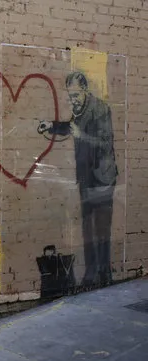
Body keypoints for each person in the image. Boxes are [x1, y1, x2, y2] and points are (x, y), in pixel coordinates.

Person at [38, 71, 118, 288]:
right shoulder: (79, 109)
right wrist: (52, 126)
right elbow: (71, 127)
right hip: (86, 178)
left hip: (102, 178)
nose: (72, 99)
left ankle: (105, 275)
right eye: (70, 95)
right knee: (87, 229)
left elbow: (105, 143)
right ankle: (91, 275)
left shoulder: (100, 109)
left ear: (84, 90)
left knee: (101, 229)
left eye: (75, 95)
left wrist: (81, 135)